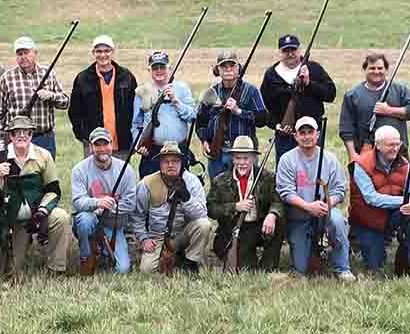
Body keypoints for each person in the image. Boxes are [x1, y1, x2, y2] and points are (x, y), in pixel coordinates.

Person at [0, 115, 70, 276]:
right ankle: (14, 249)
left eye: (27, 132)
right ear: (11, 136)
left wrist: (42, 212)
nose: (22, 135)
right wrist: (0, 178)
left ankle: (56, 268)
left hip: (38, 214)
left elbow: (53, 189)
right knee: (12, 273)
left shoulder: (43, 156)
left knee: (61, 217)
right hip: (12, 219)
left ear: (31, 135)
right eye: (17, 132)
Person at [276, 117, 355, 280]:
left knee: (338, 221)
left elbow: (340, 189)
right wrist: (308, 206)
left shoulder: (330, 159)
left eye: (310, 132)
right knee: (300, 269)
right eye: (302, 133)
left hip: (325, 212)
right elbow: (285, 192)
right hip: (299, 216)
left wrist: (328, 204)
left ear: (317, 134)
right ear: (295, 136)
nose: (306, 136)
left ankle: (342, 268)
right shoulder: (286, 159)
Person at [348, 126, 410, 275]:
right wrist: (405, 200)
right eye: (391, 145)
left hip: (392, 216)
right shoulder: (361, 165)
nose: (396, 148)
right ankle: (380, 244)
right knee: (376, 268)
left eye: (398, 144)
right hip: (369, 221)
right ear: (377, 145)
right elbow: (372, 198)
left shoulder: (404, 163)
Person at [131, 142, 212, 274]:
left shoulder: (192, 182)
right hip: (158, 236)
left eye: (175, 161)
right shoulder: (147, 183)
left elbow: (201, 214)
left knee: (204, 225)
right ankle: (174, 256)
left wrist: (186, 198)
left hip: (183, 233)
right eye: (165, 161)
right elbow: (136, 215)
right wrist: (144, 239)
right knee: (147, 270)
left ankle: (190, 262)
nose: (170, 165)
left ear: (181, 163)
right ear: (159, 163)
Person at [207, 136, 284, 272]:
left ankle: (268, 266)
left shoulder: (267, 177)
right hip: (235, 229)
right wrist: (235, 207)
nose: (242, 162)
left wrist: (272, 214)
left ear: (253, 158)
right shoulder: (220, 181)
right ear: (232, 158)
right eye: (238, 158)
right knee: (246, 268)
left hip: (259, 226)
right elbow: (211, 209)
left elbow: (277, 201)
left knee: (279, 223)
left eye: (246, 158)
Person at [260, 33, 337, 164]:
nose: (290, 54)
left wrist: (309, 83)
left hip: (312, 133)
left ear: (299, 50)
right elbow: (263, 106)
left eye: (293, 50)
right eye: (286, 50)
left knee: (314, 174)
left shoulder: (313, 68)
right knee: (286, 174)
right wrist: (277, 126)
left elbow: (330, 94)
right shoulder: (271, 75)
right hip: (285, 136)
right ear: (280, 52)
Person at [70, 127, 137, 275]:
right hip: (90, 219)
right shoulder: (79, 170)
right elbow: (77, 201)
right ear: (91, 147)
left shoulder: (126, 170)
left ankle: (104, 251)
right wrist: (97, 204)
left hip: (114, 225)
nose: (102, 149)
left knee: (123, 269)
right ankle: (86, 258)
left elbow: (131, 203)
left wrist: (110, 207)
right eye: (97, 145)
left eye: (105, 144)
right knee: (84, 219)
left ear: (111, 144)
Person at [0, 37, 70, 157]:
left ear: (35, 53)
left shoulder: (48, 74)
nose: (23, 57)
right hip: (17, 139)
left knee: (46, 175)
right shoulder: (7, 77)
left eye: (26, 52)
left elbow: (65, 102)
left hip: (44, 138)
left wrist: (51, 96)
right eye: (19, 54)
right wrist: (2, 142)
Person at [195, 50, 268, 180]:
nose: (228, 69)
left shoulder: (251, 91)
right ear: (218, 70)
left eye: (232, 65)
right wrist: (204, 140)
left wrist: (239, 111)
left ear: (238, 68)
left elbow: (263, 119)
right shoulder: (211, 93)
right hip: (217, 153)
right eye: (224, 66)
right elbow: (201, 121)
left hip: (244, 154)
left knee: (245, 189)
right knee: (218, 193)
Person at [338, 50, 410, 160]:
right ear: (365, 70)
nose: (376, 71)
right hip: (366, 155)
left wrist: (389, 111)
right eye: (372, 68)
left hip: (397, 153)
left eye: (380, 68)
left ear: (385, 70)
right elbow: (346, 129)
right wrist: (352, 155)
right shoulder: (352, 95)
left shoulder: (400, 90)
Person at [69, 35, 138, 161]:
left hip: (121, 144)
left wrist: (132, 136)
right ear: (93, 53)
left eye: (107, 51)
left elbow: (135, 109)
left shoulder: (127, 77)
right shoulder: (82, 78)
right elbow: (74, 112)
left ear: (113, 52)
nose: (103, 55)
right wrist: (84, 137)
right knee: (95, 180)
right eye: (99, 51)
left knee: (121, 179)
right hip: (94, 144)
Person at [131, 50, 196, 178]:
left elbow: (192, 116)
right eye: (155, 67)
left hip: (178, 151)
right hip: (153, 152)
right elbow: (136, 123)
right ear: (149, 70)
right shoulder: (142, 91)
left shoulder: (182, 89)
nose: (159, 70)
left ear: (169, 68)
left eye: (162, 67)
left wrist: (175, 100)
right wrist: (139, 143)